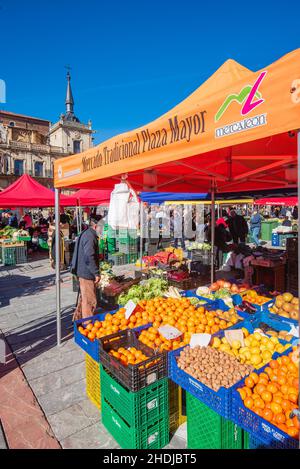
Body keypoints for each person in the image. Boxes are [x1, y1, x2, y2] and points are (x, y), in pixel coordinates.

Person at [72, 218, 103, 321]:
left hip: (82, 270)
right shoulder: (90, 236)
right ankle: (88, 324)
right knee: (90, 301)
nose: (102, 230)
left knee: (84, 298)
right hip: (86, 272)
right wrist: (96, 273)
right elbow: (89, 256)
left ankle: (78, 320)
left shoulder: (87, 233)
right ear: (95, 226)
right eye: (101, 228)